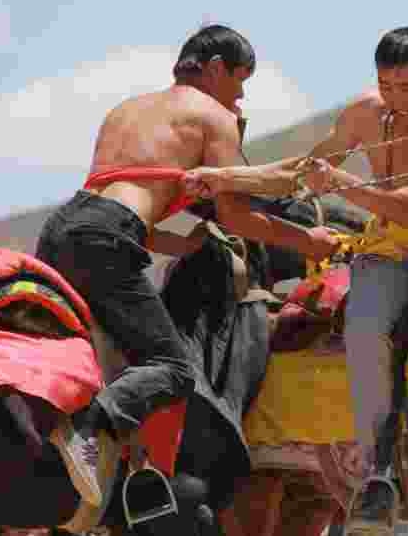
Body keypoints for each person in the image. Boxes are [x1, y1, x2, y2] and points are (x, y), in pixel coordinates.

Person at [187, 27, 408, 536]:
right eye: (387, 86)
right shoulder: (366, 112)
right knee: (367, 331)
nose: (398, 100)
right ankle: (377, 474)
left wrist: (342, 182)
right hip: (387, 254)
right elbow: (300, 172)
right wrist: (226, 179)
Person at [35, 25, 340, 508]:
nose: (240, 94)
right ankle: (88, 429)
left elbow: (121, 202)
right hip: (107, 239)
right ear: (216, 68)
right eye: (240, 80)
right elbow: (236, 214)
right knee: (173, 367)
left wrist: (182, 246)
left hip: (64, 230)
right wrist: (306, 239)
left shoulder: (128, 109)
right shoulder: (213, 114)